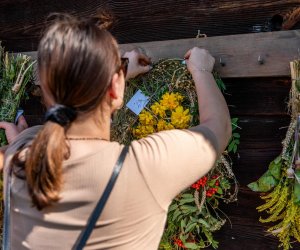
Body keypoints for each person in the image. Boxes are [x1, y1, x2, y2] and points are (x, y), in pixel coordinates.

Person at [0, 13, 231, 250]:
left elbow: (43, 134)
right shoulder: (143, 169)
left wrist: (116, 76)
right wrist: (201, 70)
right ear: (115, 87)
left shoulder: (18, 156)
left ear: (45, 92)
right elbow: (218, 128)